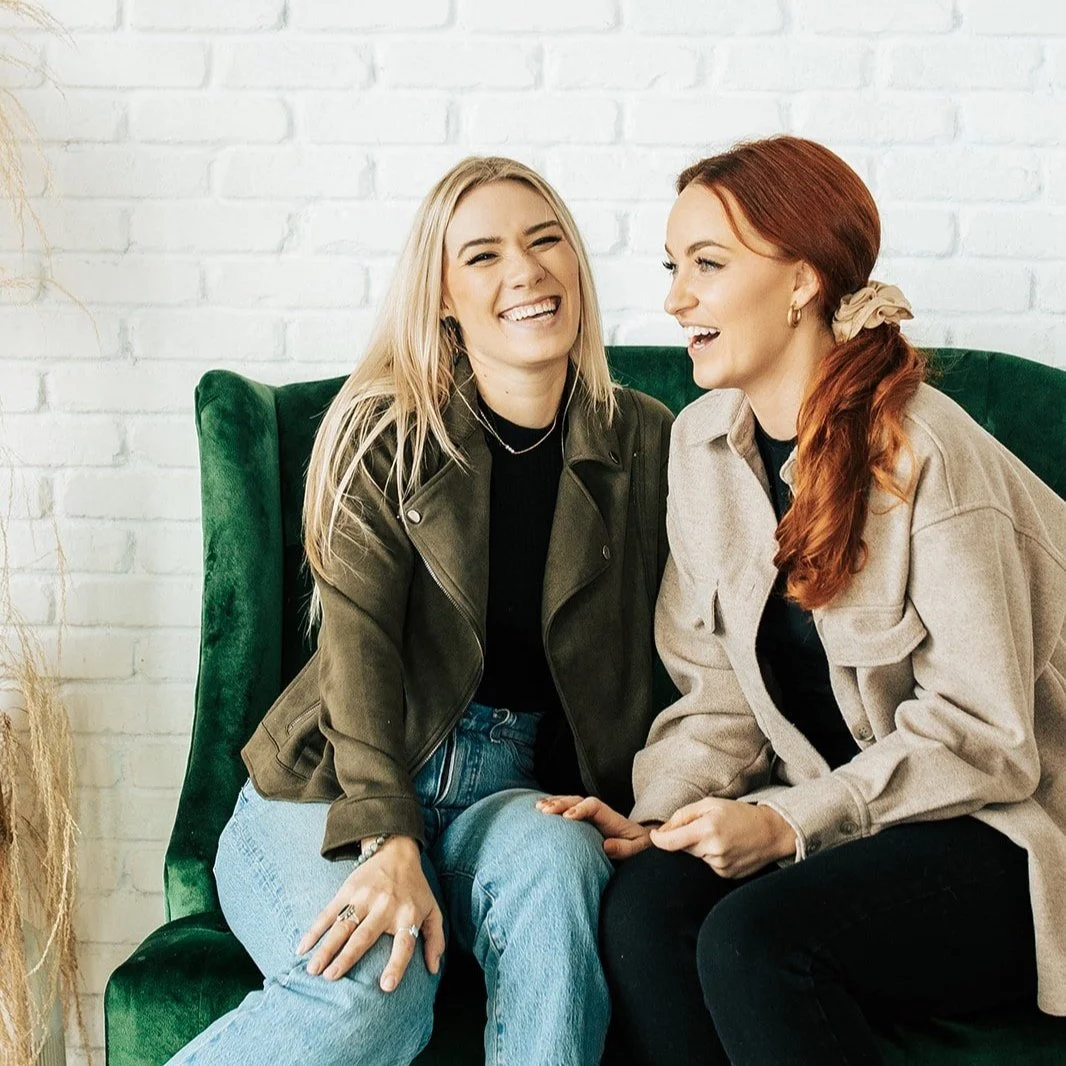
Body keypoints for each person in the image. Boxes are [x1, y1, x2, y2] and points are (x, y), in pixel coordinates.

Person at [539, 135, 1066, 1065]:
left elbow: (987, 737)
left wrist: (790, 825)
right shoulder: (704, 448)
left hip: (996, 831)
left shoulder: (927, 457)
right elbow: (718, 696)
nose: (675, 299)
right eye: (673, 268)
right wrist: (664, 821)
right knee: (650, 909)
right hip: (842, 820)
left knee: (756, 943)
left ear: (802, 282)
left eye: (708, 264)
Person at [165, 156, 673, 1066]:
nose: (524, 271)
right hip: (332, 778)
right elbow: (356, 653)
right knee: (378, 997)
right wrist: (385, 832)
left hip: (515, 786)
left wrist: (673, 799)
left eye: (545, 239)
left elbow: (695, 641)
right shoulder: (385, 428)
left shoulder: (647, 439)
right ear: (442, 294)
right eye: (482, 255)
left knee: (562, 870)